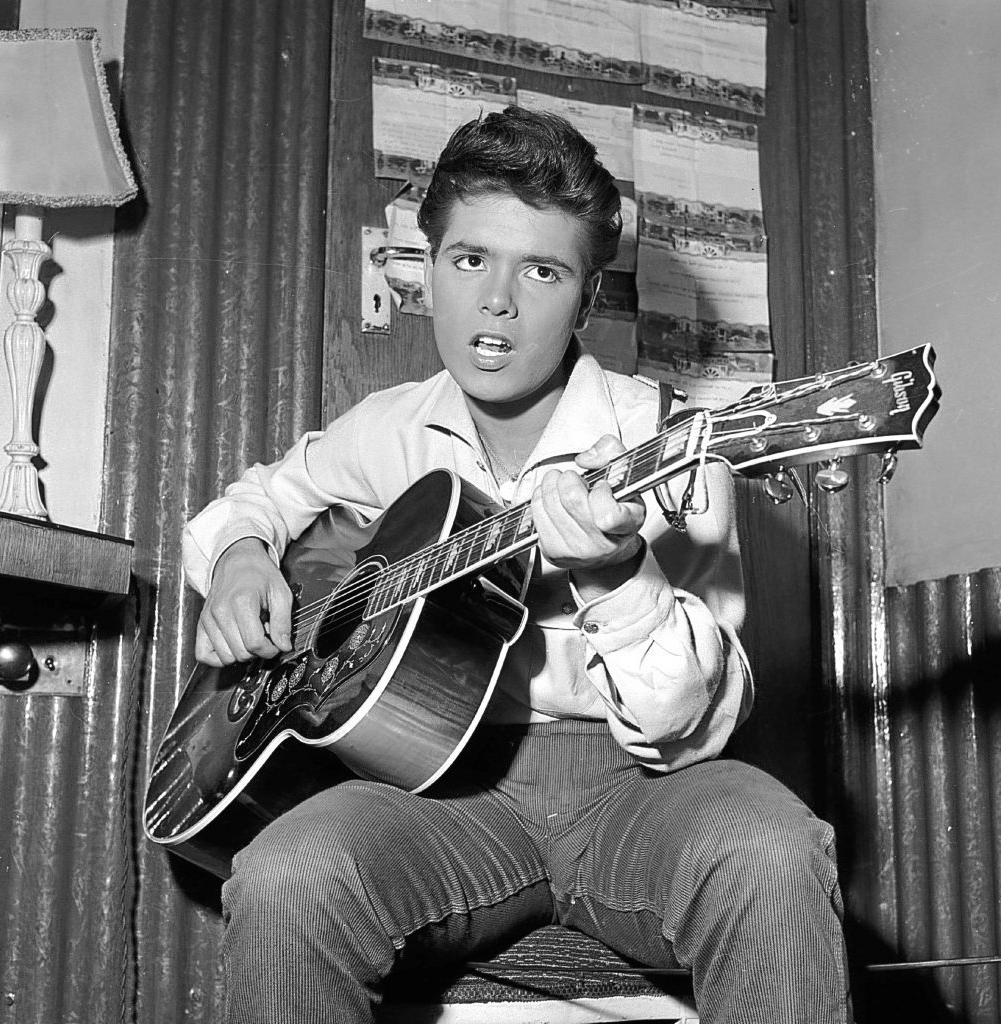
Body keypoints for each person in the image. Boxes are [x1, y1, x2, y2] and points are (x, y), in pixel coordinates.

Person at [182, 106, 850, 1023]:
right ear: (427, 274)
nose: (497, 301)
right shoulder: (391, 425)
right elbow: (261, 493)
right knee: (289, 875)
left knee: (772, 852)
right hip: (442, 793)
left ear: (586, 296)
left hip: (638, 792)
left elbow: (697, 726)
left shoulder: (666, 442)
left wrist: (618, 578)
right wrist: (241, 556)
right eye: (470, 260)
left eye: (542, 269)